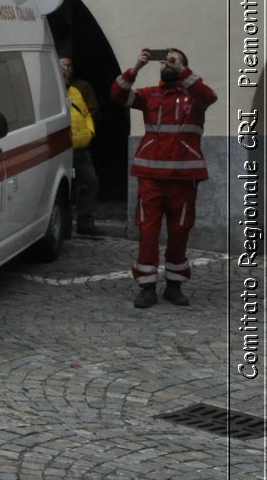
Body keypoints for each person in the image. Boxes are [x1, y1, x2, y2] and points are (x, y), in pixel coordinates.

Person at [110, 47, 217, 307]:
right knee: (148, 232)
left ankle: (174, 284)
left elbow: (209, 95)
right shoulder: (149, 95)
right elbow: (117, 95)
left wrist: (182, 70)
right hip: (151, 179)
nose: (167, 64)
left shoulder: (194, 97)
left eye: (174, 61)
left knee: (180, 233)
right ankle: (146, 287)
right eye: (165, 62)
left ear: (184, 67)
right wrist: (136, 67)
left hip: (183, 180)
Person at [59, 57, 100, 235]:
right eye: (62, 70)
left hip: (80, 149)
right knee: (63, 189)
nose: (65, 72)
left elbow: (87, 113)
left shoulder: (76, 91)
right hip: (60, 150)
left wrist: (89, 132)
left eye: (67, 68)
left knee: (90, 182)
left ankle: (85, 223)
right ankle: (64, 228)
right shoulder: (50, 93)